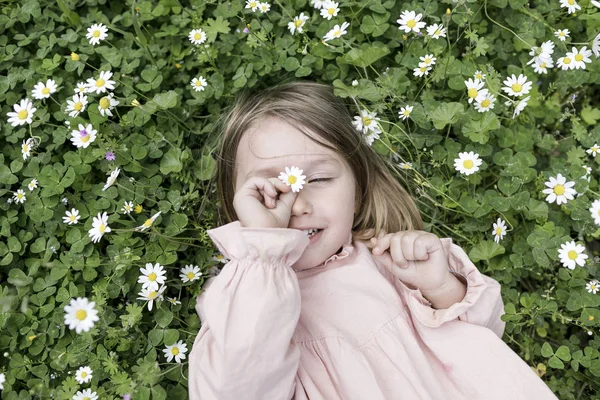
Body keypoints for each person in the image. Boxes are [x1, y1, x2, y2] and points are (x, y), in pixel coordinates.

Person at [188, 81, 558, 400]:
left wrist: (441, 286)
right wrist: (264, 253)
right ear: (236, 202)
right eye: (269, 188)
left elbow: (485, 338)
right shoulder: (235, 303)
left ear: (358, 192)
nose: (297, 204)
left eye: (317, 180)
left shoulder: (391, 263)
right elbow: (236, 386)